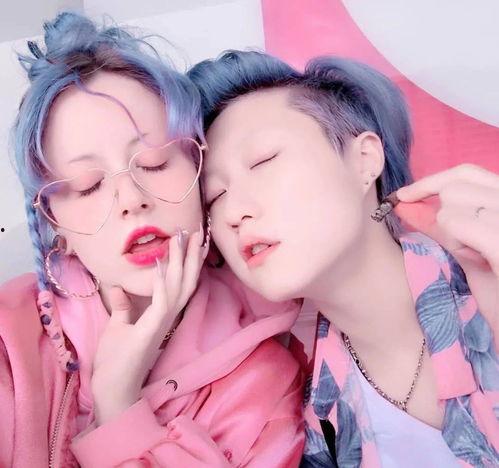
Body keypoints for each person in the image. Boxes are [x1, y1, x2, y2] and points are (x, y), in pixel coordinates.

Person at [0, 16, 304, 467]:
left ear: (200, 171)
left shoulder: (266, 383)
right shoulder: (8, 341)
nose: (131, 200)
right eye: (88, 186)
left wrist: (118, 406)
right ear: (54, 224)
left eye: (155, 163)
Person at [189, 50, 499, 467]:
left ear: (364, 159)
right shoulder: (315, 419)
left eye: (263, 161)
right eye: (215, 196)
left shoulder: (487, 281)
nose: (234, 211)